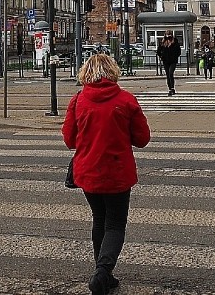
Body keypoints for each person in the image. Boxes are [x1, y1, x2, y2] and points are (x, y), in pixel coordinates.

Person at [62, 53, 151, 295]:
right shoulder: (126, 100)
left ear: (85, 73)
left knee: (99, 219)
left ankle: (104, 274)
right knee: (115, 223)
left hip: (88, 171)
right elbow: (143, 139)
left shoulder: (78, 100)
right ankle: (102, 272)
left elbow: (69, 140)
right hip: (117, 172)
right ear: (112, 72)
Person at [156, 31, 181, 95]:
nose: (168, 36)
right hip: (166, 61)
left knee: (170, 73)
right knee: (168, 75)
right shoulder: (163, 42)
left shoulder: (175, 42)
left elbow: (178, 51)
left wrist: (175, 56)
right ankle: (170, 88)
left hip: (173, 61)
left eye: (169, 35)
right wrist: (161, 56)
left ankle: (172, 88)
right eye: (167, 35)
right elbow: (158, 51)